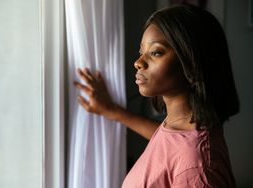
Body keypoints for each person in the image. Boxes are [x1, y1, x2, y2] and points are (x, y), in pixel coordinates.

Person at [74, 4, 239, 188]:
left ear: (192, 62)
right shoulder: (181, 127)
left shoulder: (195, 168)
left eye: (155, 53)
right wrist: (111, 111)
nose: (138, 62)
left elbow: (184, 155)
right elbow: (169, 144)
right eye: (141, 52)